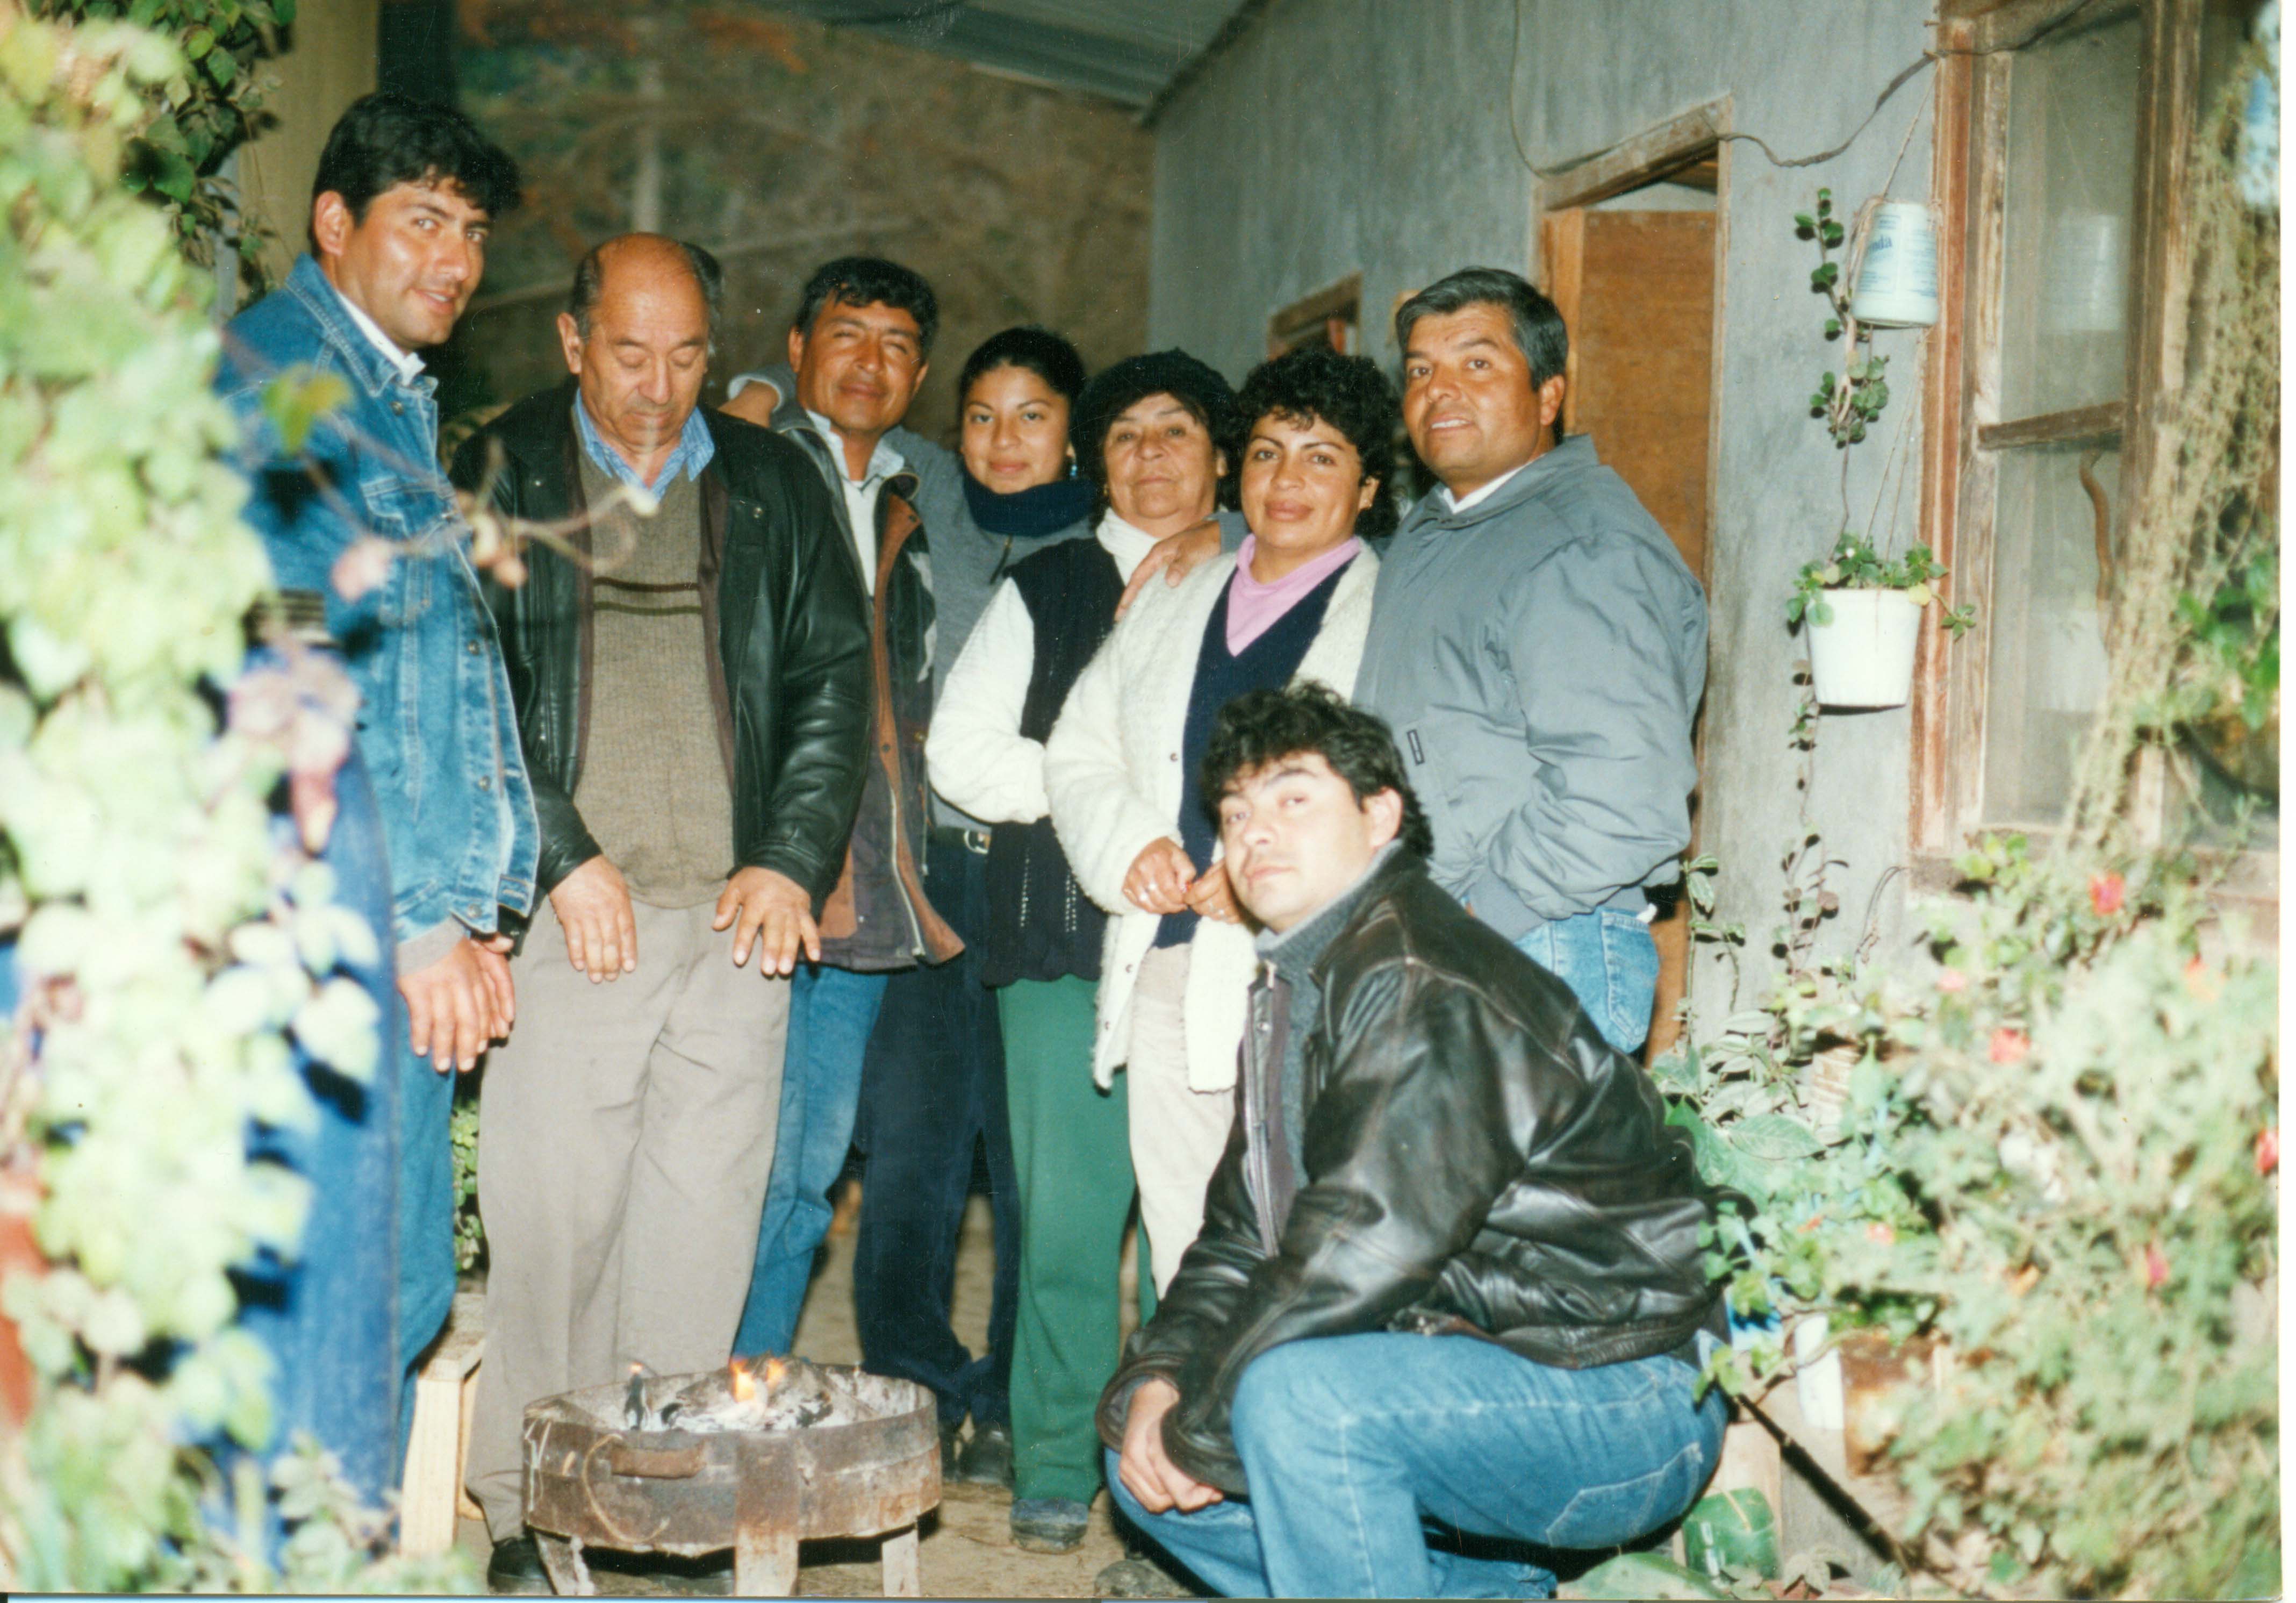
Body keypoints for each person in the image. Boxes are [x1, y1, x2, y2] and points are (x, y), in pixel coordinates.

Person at [1099, 683, 1731, 1599]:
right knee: (1142, 1455)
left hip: (1621, 1390)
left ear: (1380, 814)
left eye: (1293, 798)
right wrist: (1159, 1379)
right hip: (1478, 1364)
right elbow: (1242, 1233)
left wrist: (1207, 1419)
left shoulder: (1419, 973)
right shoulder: (1297, 982)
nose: (1255, 833)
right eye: (1235, 812)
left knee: (1290, 1405)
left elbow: (1361, 1245)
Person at [451, 235, 872, 1588]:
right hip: (582, 914)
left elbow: (827, 677)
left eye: (687, 354)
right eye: (628, 353)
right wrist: (561, 856)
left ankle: (653, 1493)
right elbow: (471, 686)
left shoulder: (772, 480)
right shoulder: (499, 470)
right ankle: (528, 1502)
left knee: (699, 1229)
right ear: (574, 342)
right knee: (556, 1221)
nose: (659, 385)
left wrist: (795, 856)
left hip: (737, 921)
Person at [216, 90, 534, 1460]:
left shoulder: (382, 399)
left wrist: (467, 901)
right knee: (340, 1299)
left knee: (385, 1287)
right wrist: (411, 921)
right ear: (332, 222)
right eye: (421, 219)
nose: (454, 260)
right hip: (332, 918)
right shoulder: (284, 383)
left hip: (382, 907)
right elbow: (288, 666)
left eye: (469, 230)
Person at [925, 339, 1247, 1553]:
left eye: (1177, 433)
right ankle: (1058, 1460)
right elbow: (962, 752)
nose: (1151, 458)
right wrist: (1103, 811)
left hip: (1211, 948)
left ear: (1219, 455)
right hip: (1063, 942)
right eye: (1125, 436)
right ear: (1091, 460)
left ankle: (1180, 1468)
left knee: (1199, 1227)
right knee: (1065, 1222)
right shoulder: (1051, 584)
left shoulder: (1262, 576)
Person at [1044, 346, 1388, 1308]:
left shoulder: (1390, 607)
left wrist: (1258, 875)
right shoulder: (1174, 592)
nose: (1289, 480)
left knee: (1312, 1240)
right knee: (1186, 1240)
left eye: (1323, 459)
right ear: (1239, 469)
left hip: (1317, 977)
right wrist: (1131, 848)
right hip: (1174, 969)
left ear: (1367, 488)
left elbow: (1386, 794)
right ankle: (1191, 1449)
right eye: (1271, 451)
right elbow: (1080, 746)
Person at [723, 259, 973, 1428]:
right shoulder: (748, 466)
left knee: (802, 1175)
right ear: (797, 344)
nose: (868, 362)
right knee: (709, 1159)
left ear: (920, 375)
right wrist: (754, 393)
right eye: (844, 335)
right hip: (742, 881)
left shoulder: (926, 502)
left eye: (895, 343)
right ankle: (652, 1386)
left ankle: (744, 1402)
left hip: (863, 897)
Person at [1353, 267, 1707, 1055]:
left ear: (1549, 395)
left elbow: (1623, 791)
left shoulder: (1580, 546)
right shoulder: (1441, 527)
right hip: (1453, 934)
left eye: (1477, 364)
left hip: (1539, 943)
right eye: (1420, 370)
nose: (1440, 390)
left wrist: (1482, 913)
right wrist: (1229, 535)